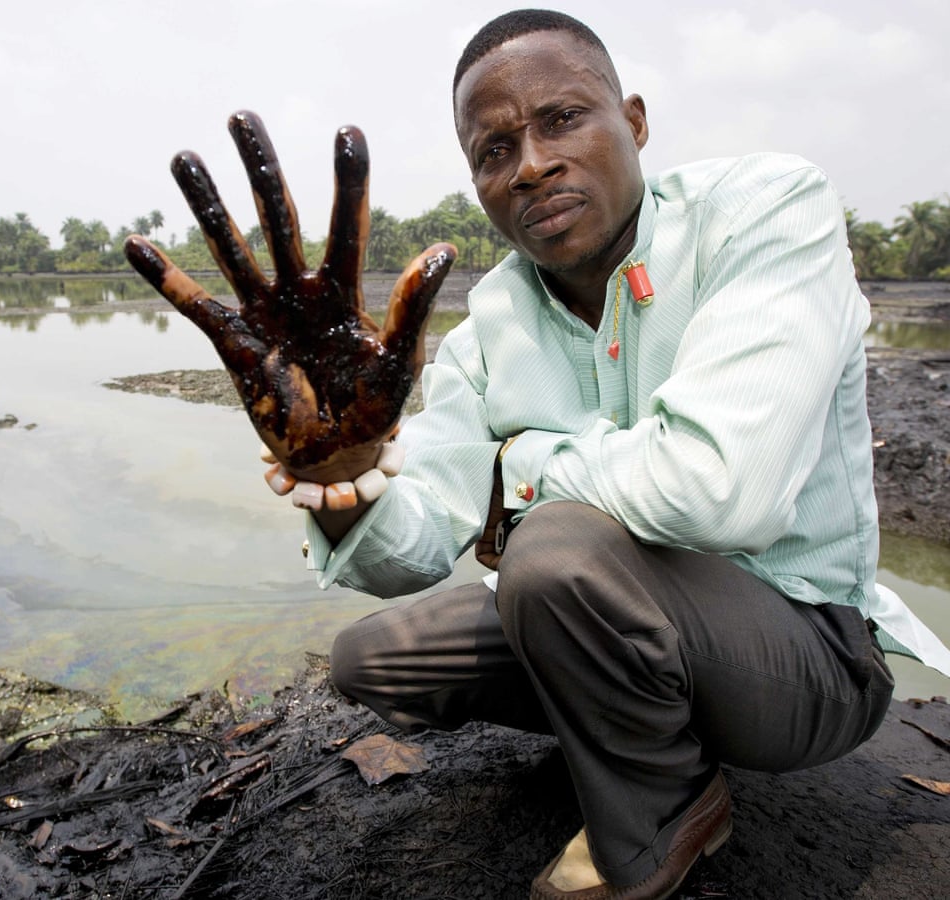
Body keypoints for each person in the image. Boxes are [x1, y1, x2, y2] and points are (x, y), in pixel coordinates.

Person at [126, 10, 950, 899]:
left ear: (633, 121)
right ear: (478, 183)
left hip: (806, 655)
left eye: (561, 119)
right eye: (494, 150)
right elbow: (417, 539)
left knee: (552, 550)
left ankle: (666, 809)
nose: (530, 165)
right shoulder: (491, 325)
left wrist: (517, 469)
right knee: (375, 658)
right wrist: (346, 473)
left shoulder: (762, 210)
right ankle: (629, 716)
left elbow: (720, 491)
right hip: (624, 620)